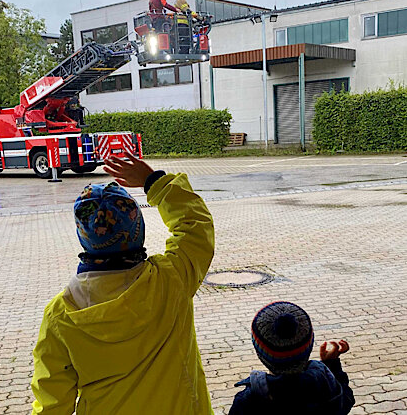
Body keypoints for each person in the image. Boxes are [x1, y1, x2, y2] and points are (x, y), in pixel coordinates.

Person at [30, 152, 215, 414]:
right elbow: (195, 227)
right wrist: (153, 181)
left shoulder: (61, 316)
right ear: (137, 228)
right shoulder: (172, 279)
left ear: (84, 237)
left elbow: (52, 404)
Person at [229, 301, 355, 415]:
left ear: (260, 353)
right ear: (309, 345)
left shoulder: (248, 401)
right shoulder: (324, 384)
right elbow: (346, 400)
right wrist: (331, 365)